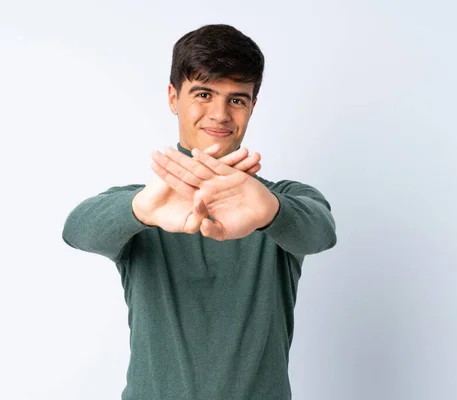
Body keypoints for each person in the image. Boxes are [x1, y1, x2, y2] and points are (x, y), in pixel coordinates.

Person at [62, 24, 337, 400]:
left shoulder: (281, 200)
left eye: (237, 99)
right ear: (174, 97)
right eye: (203, 94)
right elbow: (77, 228)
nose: (220, 114)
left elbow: (320, 232)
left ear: (253, 106)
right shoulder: (145, 207)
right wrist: (140, 210)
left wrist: (269, 212)